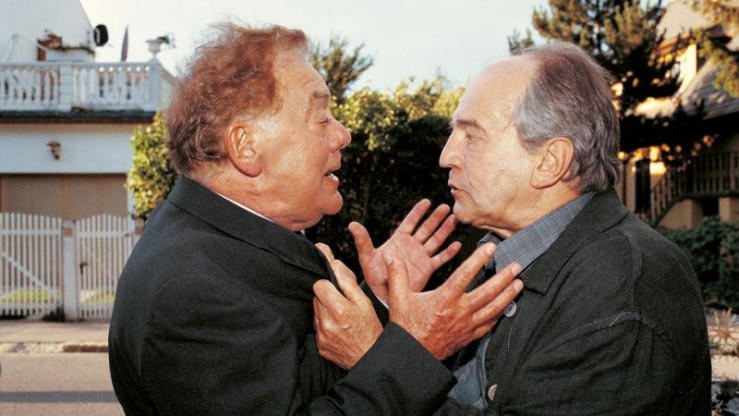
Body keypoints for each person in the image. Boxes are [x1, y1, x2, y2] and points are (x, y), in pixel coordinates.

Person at [108, 23, 524, 416]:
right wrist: (416, 350)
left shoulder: (219, 242)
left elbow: (305, 381)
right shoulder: (194, 293)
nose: (342, 134)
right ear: (246, 147)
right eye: (321, 118)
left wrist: (374, 302)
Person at [313, 42, 711, 415]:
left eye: (472, 135)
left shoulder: (622, 290)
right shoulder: (510, 257)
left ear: (549, 162)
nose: (446, 156)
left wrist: (381, 364)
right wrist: (390, 318)